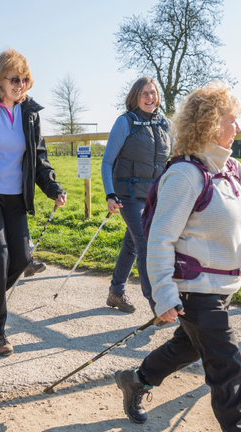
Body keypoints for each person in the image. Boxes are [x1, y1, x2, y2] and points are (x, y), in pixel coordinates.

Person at [113, 81, 241, 430]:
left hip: (220, 291)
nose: (238, 126)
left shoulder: (233, 171)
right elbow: (160, 239)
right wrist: (164, 294)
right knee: (228, 367)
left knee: (190, 346)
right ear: (211, 122)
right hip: (195, 290)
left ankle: (136, 379)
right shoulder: (184, 175)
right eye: (233, 118)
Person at [0, 48, 67, 357]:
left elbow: (39, 158)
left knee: (20, 260)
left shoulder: (29, 113)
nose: (21, 85)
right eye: (15, 79)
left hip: (16, 197)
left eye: (25, 79)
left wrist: (53, 187)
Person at [101, 77, 171, 313]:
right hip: (128, 193)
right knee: (145, 244)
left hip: (156, 195)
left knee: (131, 243)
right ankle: (158, 306)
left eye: (153, 93)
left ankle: (116, 292)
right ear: (135, 97)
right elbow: (107, 160)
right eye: (144, 94)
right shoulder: (125, 122)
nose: (149, 97)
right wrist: (110, 194)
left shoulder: (165, 124)